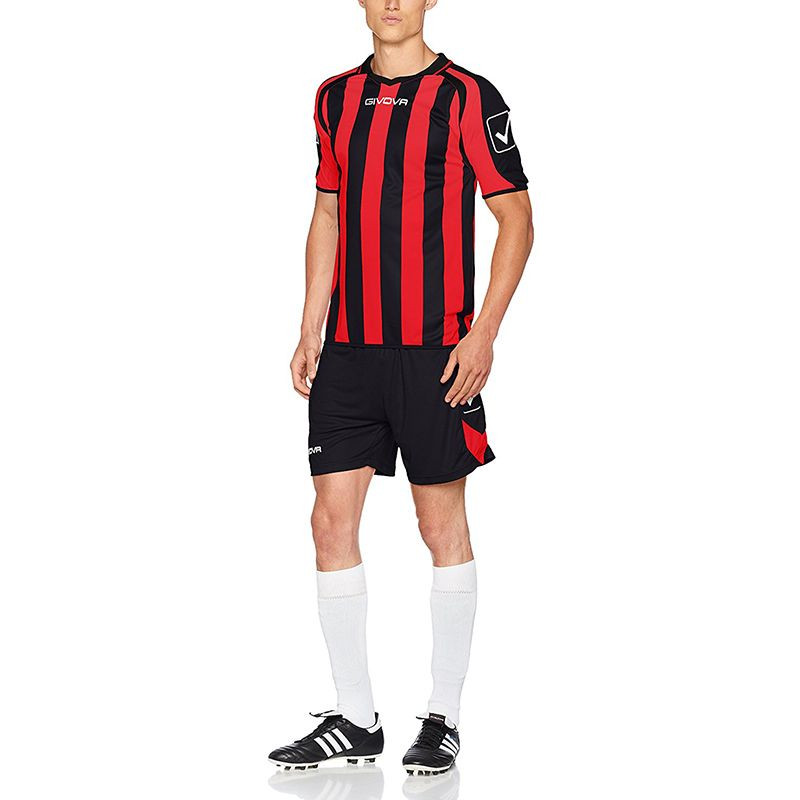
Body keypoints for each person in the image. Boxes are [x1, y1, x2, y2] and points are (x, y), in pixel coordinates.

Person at [269, 0, 533, 777]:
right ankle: (355, 719)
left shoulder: (468, 96)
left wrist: (484, 333)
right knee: (328, 523)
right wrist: (310, 327)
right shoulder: (334, 97)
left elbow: (516, 217)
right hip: (349, 354)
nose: (391, 1)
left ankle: (443, 717)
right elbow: (327, 210)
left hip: (437, 354)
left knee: (438, 523)